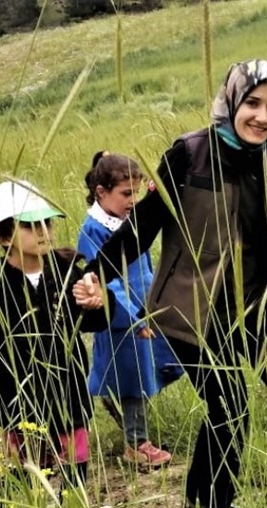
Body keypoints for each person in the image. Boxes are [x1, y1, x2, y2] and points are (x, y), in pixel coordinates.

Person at [87, 59, 267, 508]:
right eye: (254, 103)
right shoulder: (188, 154)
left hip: (258, 301)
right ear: (233, 100)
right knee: (231, 407)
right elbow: (144, 225)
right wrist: (96, 272)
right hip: (193, 307)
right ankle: (208, 507)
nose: (264, 116)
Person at [0, 180, 113, 488]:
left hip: (67, 377)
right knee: (25, 460)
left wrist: (97, 303)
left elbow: (95, 322)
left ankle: (72, 505)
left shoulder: (69, 268)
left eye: (47, 223)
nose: (43, 231)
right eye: (30, 225)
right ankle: (11, 499)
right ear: (4, 236)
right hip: (15, 383)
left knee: (74, 448)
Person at [77, 151, 182, 470]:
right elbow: (103, 281)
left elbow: (146, 262)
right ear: (101, 193)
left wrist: (156, 301)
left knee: (165, 364)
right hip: (123, 320)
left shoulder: (130, 221)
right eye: (125, 194)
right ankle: (136, 444)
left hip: (146, 311)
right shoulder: (93, 230)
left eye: (136, 193)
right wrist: (133, 317)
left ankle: (115, 397)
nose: (132, 200)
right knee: (135, 379)